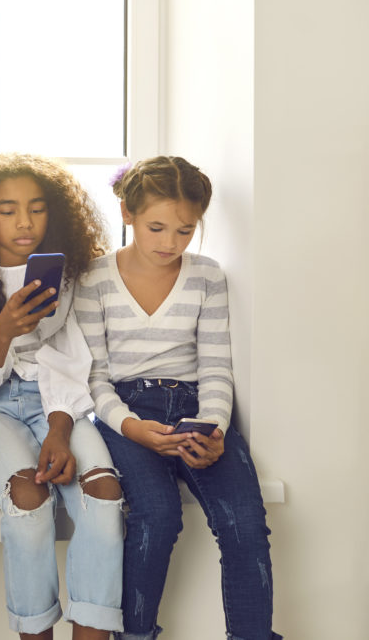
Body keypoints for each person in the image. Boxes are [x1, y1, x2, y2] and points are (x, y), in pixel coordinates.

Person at [75, 156, 281, 640]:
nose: (170, 243)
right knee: (158, 515)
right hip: (124, 414)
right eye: (157, 227)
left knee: (245, 525)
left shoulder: (207, 278)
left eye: (185, 231)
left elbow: (215, 367)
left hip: (197, 411)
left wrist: (214, 427)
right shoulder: (93, 278)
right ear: (126, 213)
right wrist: (130, 427)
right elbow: (95, 378)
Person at [0, 153, 124, 640]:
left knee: (103, 492)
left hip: (58, 404)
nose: (24, 222)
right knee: (28, 500)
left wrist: (59, 429)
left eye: (37, 208)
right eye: (7, 209)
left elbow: (71, 355)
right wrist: (3, 331)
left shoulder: (67, 272)